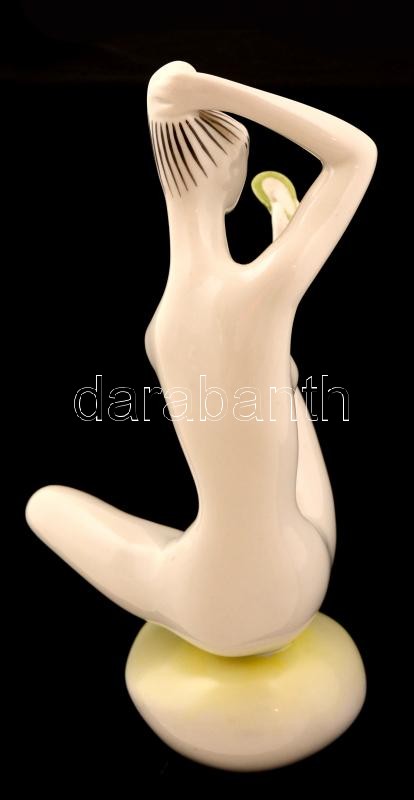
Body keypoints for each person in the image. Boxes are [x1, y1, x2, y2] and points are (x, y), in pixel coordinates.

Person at [26, 62, 377, 656]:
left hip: (218, 603)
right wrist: (212, 91)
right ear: (235, 176)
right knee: (285, 394)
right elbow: (356, 153)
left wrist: (283, 263)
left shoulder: (165, 324)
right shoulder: (259, 293)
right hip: (304, 572)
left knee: (46, 505)